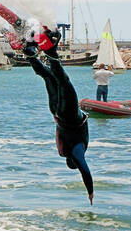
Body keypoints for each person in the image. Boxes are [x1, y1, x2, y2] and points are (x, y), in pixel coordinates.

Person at [20, 28, 94, 204]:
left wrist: (90, 191)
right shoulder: (62, 150)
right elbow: (59, 131)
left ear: (73, 160)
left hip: (68, 113)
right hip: (56, 113)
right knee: (48, 76)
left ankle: (51, 51)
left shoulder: (77, 152)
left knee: (62, 80)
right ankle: (29, 52)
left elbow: (85, 170)